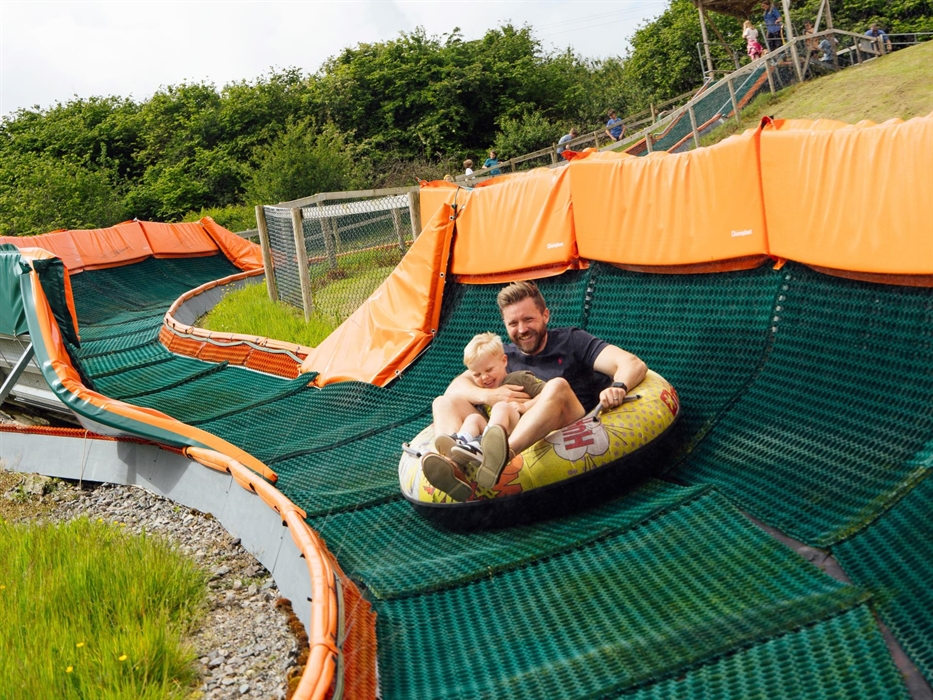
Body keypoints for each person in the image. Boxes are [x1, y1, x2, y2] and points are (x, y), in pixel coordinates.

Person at [426, 280, 647, 499]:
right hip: (509, 424)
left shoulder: (571, 340)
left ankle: (500, 458)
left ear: (545, 315)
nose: (522, 329)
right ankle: (450, 465)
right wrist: (491, 395)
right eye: (513, 323)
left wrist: (618, 386)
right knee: (442, 402)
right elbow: (455, 387)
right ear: (504, 324)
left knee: (557, 386)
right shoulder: (502, 357)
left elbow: (631, 363)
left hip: (566, 422)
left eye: (528, 319)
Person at [422, 333, 546, 500]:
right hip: (489, 427)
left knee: (501, 407)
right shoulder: (479, 388)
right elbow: (454, 394)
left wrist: (525, 406)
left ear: (504, 361)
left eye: (489, 370)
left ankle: (485, 445)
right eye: (477, 375)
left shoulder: (520, 378)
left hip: (515, 427)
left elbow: (547, 394)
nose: (484, 378)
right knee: (469, 417)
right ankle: (455, 454)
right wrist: (485, 395)